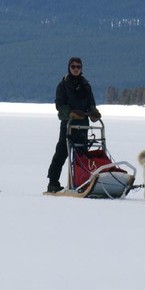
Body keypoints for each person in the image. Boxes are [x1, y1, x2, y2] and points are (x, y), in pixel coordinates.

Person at [47, 56, 101, 192]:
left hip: (83, 125)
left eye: (78, 67)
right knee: (61, 152)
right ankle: (53, 182)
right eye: (73, 66)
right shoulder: (63, 85)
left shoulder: (85, 85)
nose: (76, 69)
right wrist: (71, 113)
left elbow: (91, 103)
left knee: (82, 155)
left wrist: (94, 112)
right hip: (68, 125)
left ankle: (81, 182)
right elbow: (59, 105)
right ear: (69, 68)